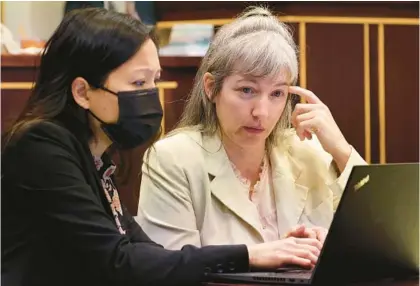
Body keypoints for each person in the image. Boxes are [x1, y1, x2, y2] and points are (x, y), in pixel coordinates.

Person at [1, 8, 324, 286]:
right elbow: (117, 260)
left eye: (154, 80)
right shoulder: (41, 145)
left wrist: (274, 252)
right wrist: (250, 254)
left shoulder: (95, 155)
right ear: (83, 92)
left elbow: (151, 254)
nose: (151, 95)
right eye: (138, 83)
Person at [136, 6, 367, 250]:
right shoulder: (173, 159)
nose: (262, 112)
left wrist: (342, 150)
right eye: (247, 90)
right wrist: (265, 257)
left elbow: (385, 240)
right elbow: (172, 270)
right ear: (211, 87)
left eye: (277, 93)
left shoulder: (307, 151)